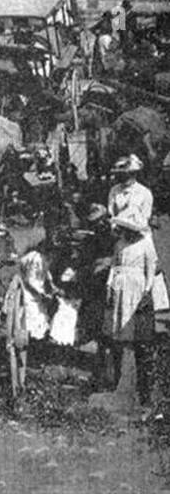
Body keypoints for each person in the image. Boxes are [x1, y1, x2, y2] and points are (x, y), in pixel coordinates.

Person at [99, 154, 158, 403]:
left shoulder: (144, 193)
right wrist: (119, 230)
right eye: (119, 174)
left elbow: (142, 221)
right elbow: (113, 216)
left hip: (138, 244)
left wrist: (147, 287)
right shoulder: (114, 191)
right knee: (116, 326)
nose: (121, 178)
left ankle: (141, 378)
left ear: (133, 174)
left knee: (139, 328)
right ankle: (115, 374)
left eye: (126, 174)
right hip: (120, 239)